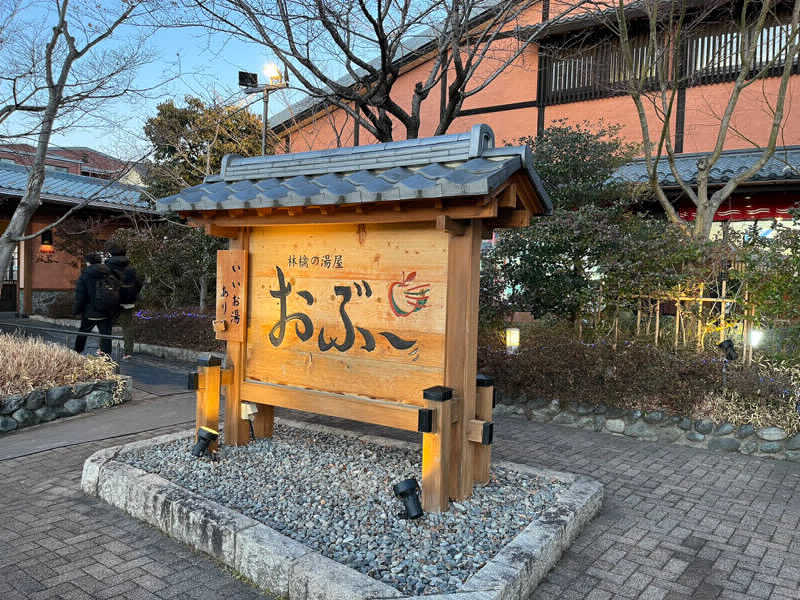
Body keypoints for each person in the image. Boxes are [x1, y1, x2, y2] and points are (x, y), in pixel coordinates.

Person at [104, 242, 143, 359]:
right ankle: (128, 352)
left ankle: (104, 351)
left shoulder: (107, 267)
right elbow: (139, 283)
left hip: (112, 302)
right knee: (127, 327)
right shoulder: (131, 268)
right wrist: (133, 294)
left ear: (111, 254)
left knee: (105, 326)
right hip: (128, 301)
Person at [73, 252, 115, 355]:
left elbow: (80, 296)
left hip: (89, 311)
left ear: (88, 262)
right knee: (106, 335)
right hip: (106, 310)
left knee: (83, 332)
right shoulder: (109, 272)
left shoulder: (85, 275)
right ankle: (106, 358)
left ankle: (77, 353)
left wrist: (77, 310)